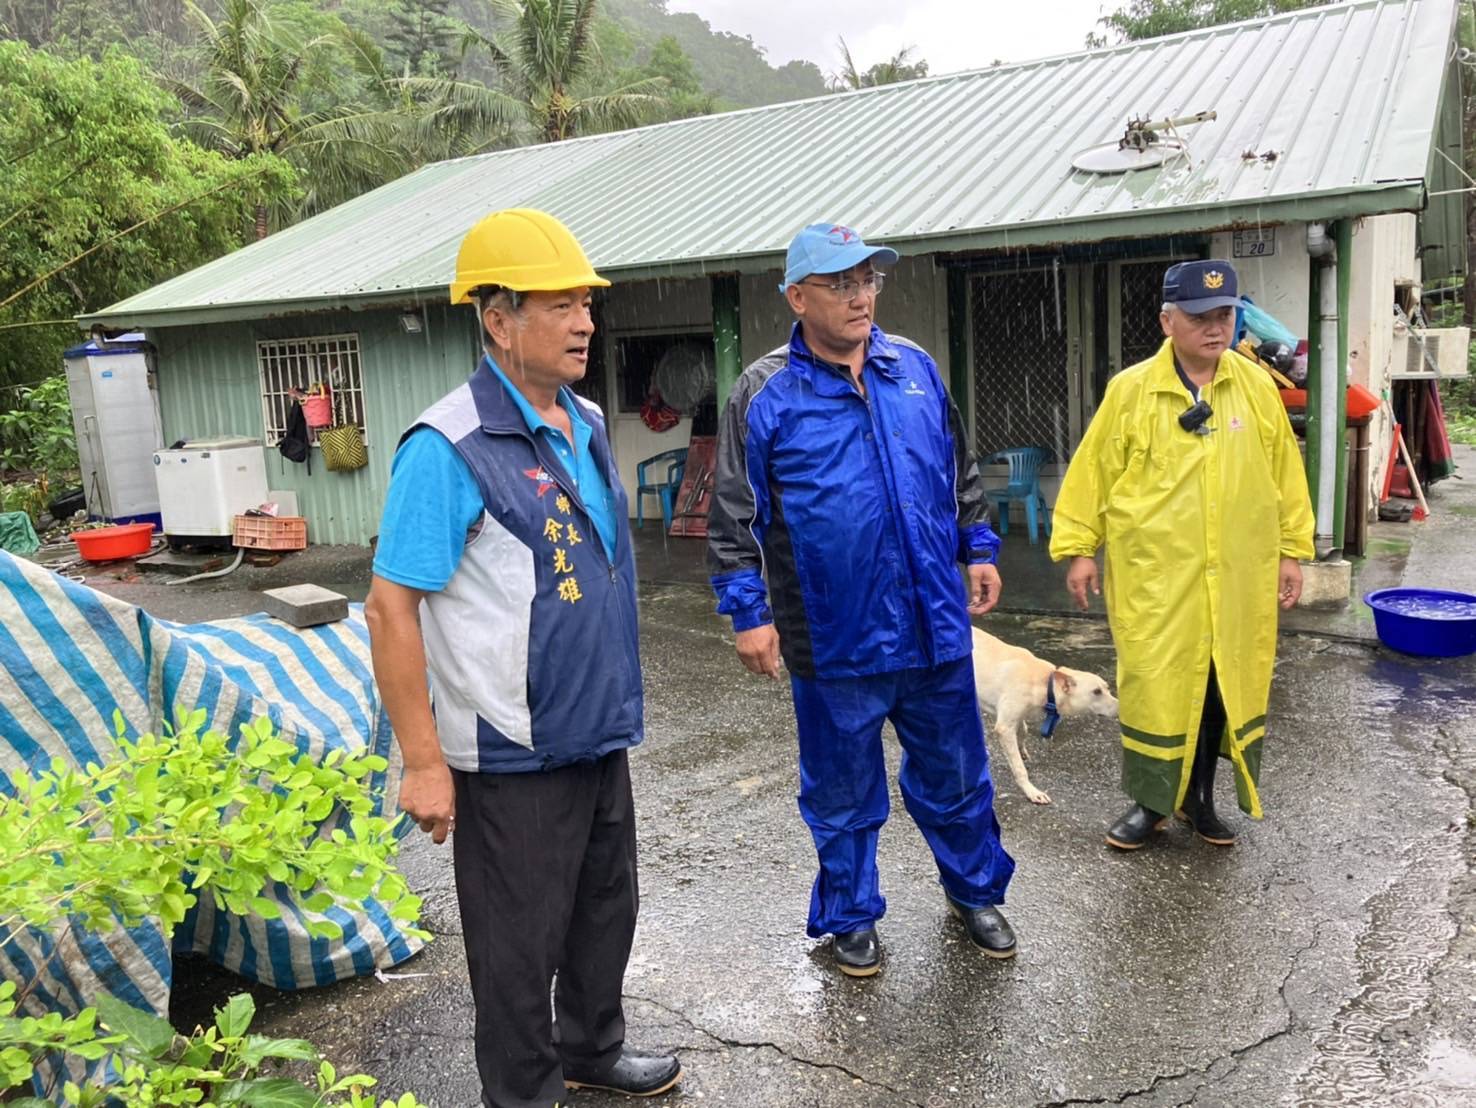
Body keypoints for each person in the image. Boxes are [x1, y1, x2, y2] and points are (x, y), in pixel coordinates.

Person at [364, 208, 680, 1108]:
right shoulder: (447, 446)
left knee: (600, 913)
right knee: (515, 945)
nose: (585, 322)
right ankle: (524, 1091)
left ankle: (591, 1047)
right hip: (509, 749)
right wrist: (422, 762)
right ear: (498, 320)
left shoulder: (579, 418)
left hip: (594, 729)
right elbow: (391, 610)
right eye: (560, 306)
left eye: (586, 304)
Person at [706, 222, 1017, 978]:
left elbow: (959, 468)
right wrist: (749, 614)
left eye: (868, 279)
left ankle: (974, 892)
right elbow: (733, 514)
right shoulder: (765, 391)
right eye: (840, 283)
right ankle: (850, 917)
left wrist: (976, 547)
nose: (859, 296)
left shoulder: (913, 367)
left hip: (934, 623)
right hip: (832, 632)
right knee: (843, 792)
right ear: (797, 296)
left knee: (957, 774)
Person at [1048, 259, 1315, 852]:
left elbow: (1284, 475)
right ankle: (1150, 805)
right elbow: (1093, 471)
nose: (1214, 329)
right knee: (1156, 685)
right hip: (1158, 578)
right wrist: (1079, 548)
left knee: (1224, 685)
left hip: (1240, 574)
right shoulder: (1132, 391)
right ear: (1168, 320)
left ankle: (1200, 800)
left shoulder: (1255, 388)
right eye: (1199, 318)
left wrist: (1292, 552)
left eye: (1224, 315)